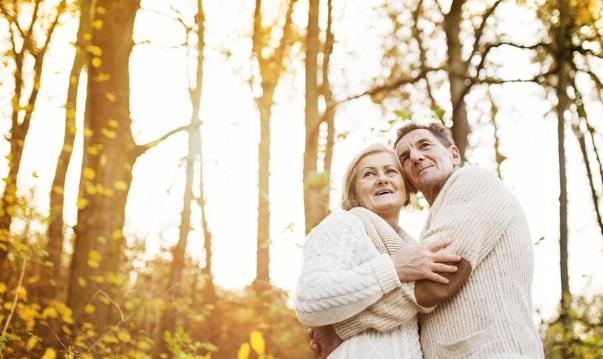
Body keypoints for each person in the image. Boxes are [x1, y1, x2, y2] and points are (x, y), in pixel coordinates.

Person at [310, 122, 544, 358]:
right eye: (405, 157)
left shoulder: (471, 181)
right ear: (409, 181)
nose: (416, 157)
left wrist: (342, 328)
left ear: (453, 154)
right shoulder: (425, 228)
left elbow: (435, 280)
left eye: (425, 146)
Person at [295, 143, 470, 359]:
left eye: (391, 171)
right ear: (354, 194)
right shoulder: (344, 224)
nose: (382, 179)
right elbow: (308, 300)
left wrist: (340, 328)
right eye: (369, 174)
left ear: (406, 190)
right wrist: (393, 268)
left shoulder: (416, 249)